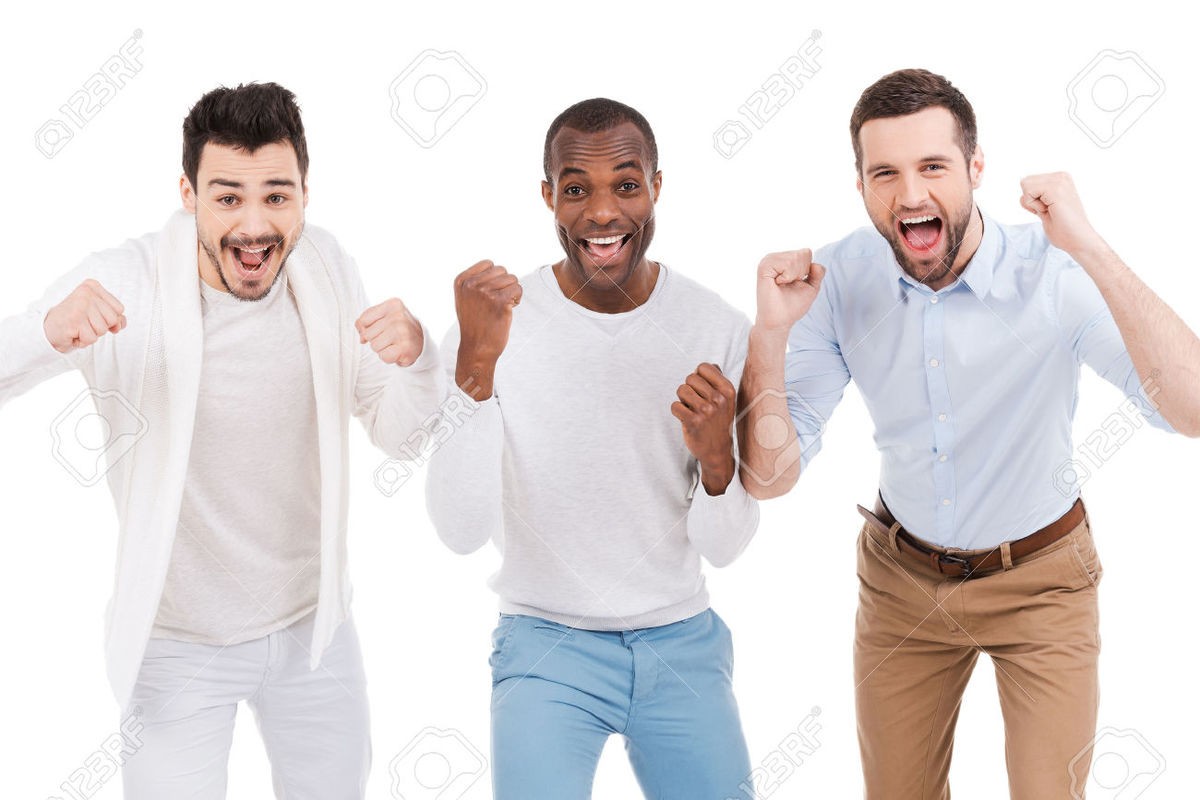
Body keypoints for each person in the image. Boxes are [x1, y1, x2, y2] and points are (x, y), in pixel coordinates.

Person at [736, 68, 1200, 799]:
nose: (911, 194)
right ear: (859, 185)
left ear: (975, 169)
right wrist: (768, 336)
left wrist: (1092, 247)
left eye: (933, 167)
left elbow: (1194, 409)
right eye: (884, 172)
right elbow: (769, 477)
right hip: (902, 583)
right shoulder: (836, 283)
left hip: (1042, 582)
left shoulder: (1051, 272)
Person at [0, 82, 443, 799]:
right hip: (177, 645)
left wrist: (420, 360)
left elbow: (398, 434)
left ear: (304, 193)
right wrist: (43, 333)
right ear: (189, 193)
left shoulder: (326, 268)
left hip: (314, 630)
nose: (254, 225)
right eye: (227, 197)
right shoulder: (125, 283)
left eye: (276, 196)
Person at [425, 97, 760, 800]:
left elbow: (726, 550)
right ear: (549, 197)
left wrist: (719, 462)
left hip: (680, 643)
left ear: (657, 188)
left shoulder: (715, 325)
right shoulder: (495, 322)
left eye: (626, 185)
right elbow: (458, 532)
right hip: (545, 645)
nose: (602, 213)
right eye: (577, 189)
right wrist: (475, 372)